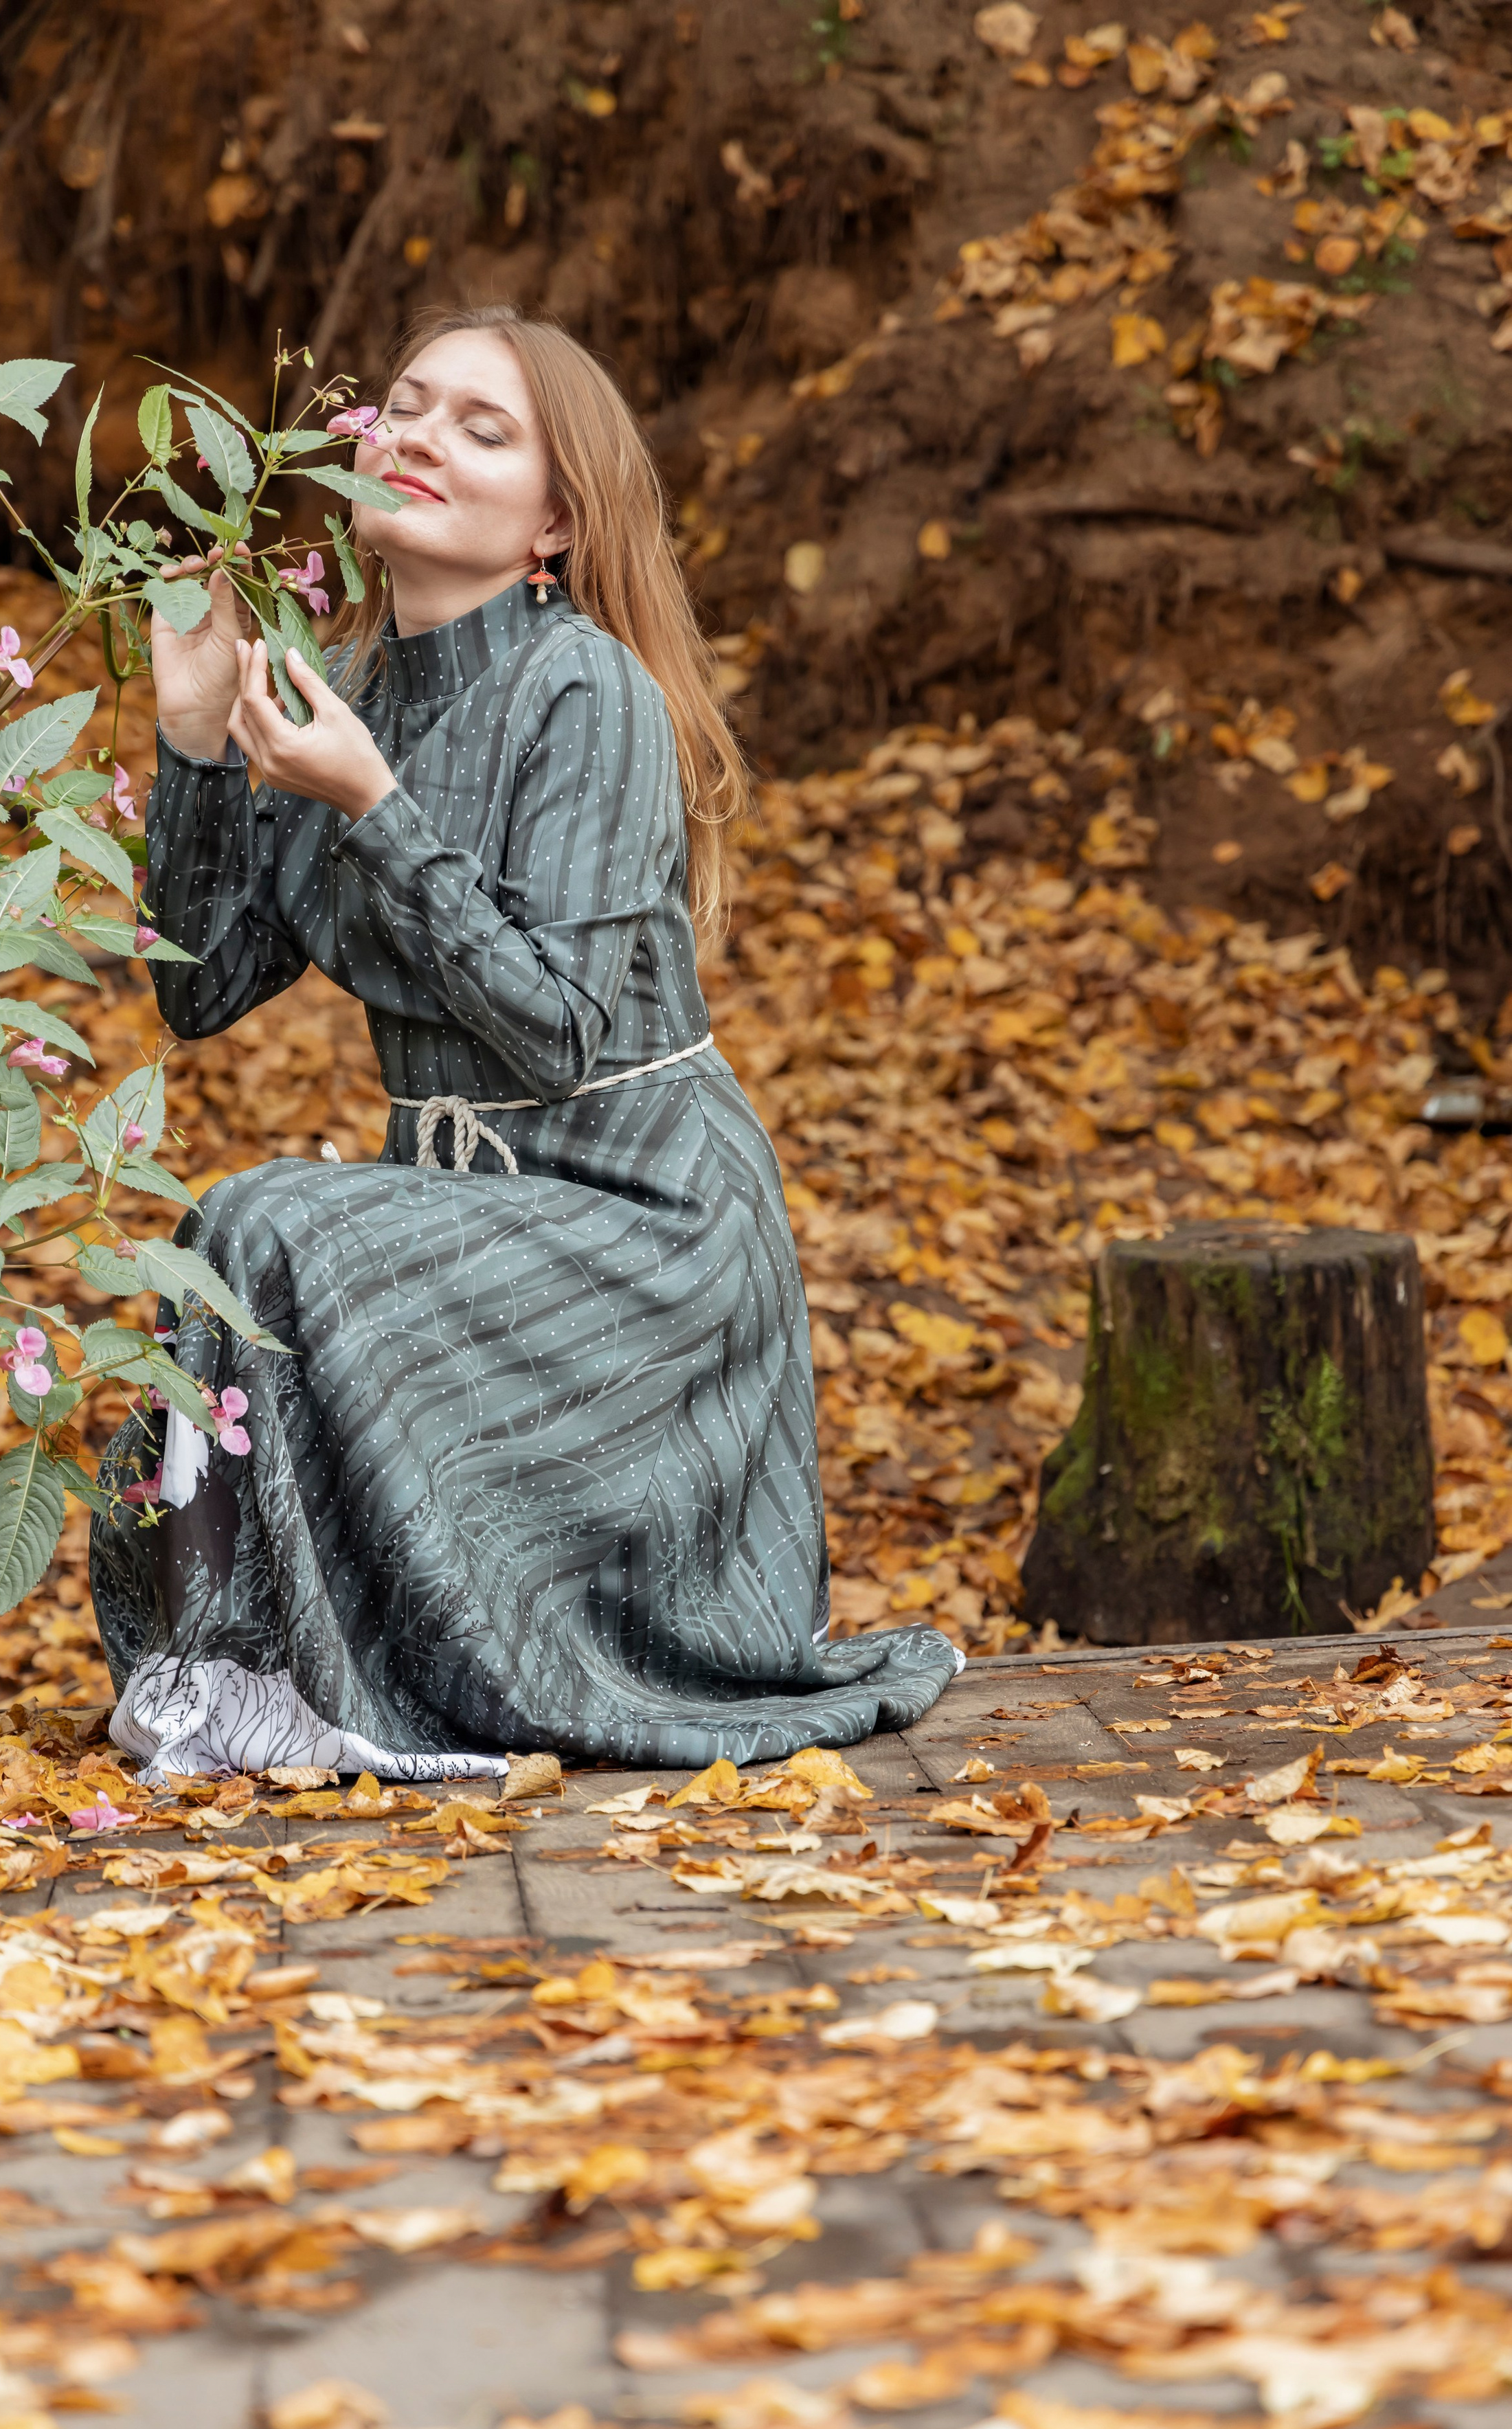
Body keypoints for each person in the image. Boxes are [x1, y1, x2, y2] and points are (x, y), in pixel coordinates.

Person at [92, 304, 961, 1788]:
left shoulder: (585, 687)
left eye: (481, 428)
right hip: (473, 1210)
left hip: (645, 1222)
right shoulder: (342, 690)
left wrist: (373, 808)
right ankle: (242, 1682)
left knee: (263, 1222)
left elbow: (555, 1027)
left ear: (554, 522)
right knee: (251, 1234)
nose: (419, 436)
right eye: (405, 406)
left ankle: (263, 1683)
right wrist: (190, 741)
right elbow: (202, 987)